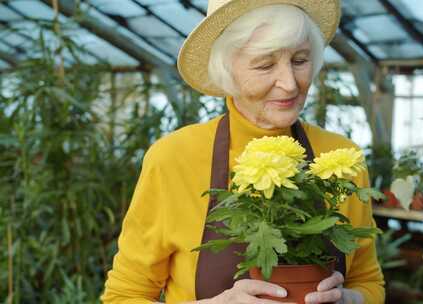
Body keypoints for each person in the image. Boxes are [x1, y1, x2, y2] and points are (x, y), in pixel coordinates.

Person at [101, 0, 385, 303]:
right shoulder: (174, 158)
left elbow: (367, 280)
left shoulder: (341, 157)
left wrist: (350, 300)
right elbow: (124, 295)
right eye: (265, 65)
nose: (290, 84)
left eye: (300, 60)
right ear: (226, 69)